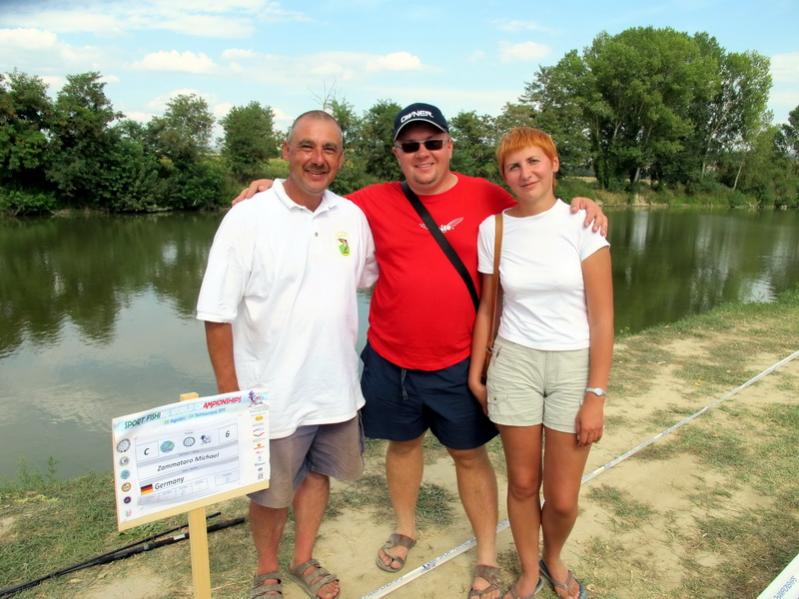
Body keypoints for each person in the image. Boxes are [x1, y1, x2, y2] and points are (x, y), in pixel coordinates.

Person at [236, 103, 608, 599]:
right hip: (391, 358)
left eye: (433, 142)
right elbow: (314, 196)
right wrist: (270, 187)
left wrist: (585, 202)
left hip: (459, 358)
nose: (423, 153)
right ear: (398, 153)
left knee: (469, 455)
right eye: (410, 145)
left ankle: (486, 554)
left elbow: (536, 202)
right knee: (403, 445)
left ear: (449, 146)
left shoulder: (488, 195)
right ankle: (405, 528)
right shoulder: (369, 202)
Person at [197, 110, 377, 599]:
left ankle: (303, 558)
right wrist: (230, 396)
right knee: (271, 492)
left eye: (329, 149)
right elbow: (216, 313)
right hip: (271, 392)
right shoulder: (248, 217)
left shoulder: (351, 216)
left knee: (318, 476)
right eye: (307, 146)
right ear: (286, 151)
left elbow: (368, 276)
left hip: (335, 387)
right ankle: (266, 570)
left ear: (341, 158)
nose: (318, 159)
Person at [468, 127, 613, 599]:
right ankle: (530, 570)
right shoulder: (494, 229)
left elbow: (603, 318)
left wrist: (596, 394)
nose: (525, 173)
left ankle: (554, 556)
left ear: (553, 164)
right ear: (504, 175)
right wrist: (476, 371)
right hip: (515, 364)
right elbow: (489, 308)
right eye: (513, 166)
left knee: (564, 498)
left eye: (533, 161)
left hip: (572, 365)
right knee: (524, 484)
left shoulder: (582, 224)